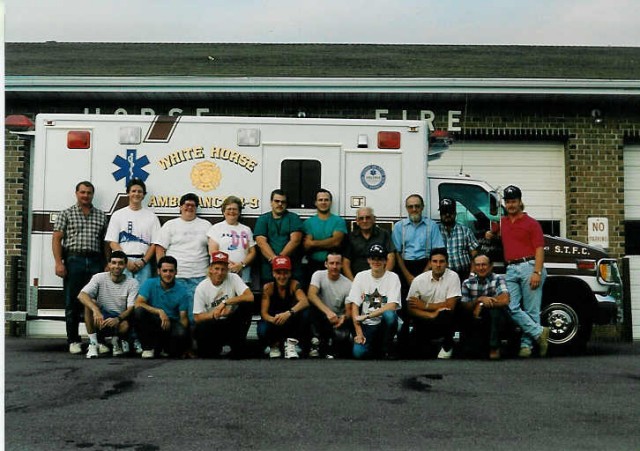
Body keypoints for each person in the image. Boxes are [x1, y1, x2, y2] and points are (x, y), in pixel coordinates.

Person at [489, 185, 549, 358]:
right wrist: (490, 234)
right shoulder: (503, 222)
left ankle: (526, 346)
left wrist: (537, 272)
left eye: (513, 201)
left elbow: (539, 248)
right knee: (510, 306)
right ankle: (539, 333)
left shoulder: (532, 223)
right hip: (511, 269)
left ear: (520, 202)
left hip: (529, 266)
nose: (511, 205)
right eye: (508, 202)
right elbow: (492, 232)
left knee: (531, 309)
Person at [52, 181, 108, 354]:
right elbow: (56, 239)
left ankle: (98, 340)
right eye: (82, 192)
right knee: (72, 302)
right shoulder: (66, 214)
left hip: (95, 261)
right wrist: (59, 262)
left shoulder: (101, 215)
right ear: (76, 193)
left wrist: (107, 261)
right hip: (73, 259)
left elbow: (105, 242)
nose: (85, 195)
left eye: (89, 192)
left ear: (93, 194)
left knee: (97, 301)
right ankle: (74, 340)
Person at [155, 192, 210, 324]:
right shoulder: (170, 225)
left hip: (199, 277)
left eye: (193, 205)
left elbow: (213, 250)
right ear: (180, 207)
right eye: (186, 205)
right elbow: (160, 249)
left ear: (196, 208)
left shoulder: (206, 225)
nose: (189, 208)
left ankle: (192, 343)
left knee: (194, 316)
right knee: (172, 313)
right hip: (174, 278)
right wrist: (162, 272)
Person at [77, 251, 139, 358]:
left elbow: (130, 308)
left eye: (120, 263)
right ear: (109, 264)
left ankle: (116, 341)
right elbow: (81, 295)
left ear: (125, 265)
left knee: (125, 326)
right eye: (114, 263)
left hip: (119, 319)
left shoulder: (132, 283)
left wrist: (118, 319)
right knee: (89, 304)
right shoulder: (99, 277)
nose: (117, 266)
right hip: (101, 317)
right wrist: (96, 310)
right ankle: (93, 343)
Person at [193, 251, 254, 358]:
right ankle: (216, 346)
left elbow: (250, 297)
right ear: (211, 269)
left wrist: (225, 303)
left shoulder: (233, 278)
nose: (220, 272)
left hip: (231, 322)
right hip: (213, 324)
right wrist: (215, 314)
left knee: (247, 306)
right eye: (216, 269)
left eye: (223, 269)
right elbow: (197, 317)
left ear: (227, 269)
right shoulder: (201, 287)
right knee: (206, 353)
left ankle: (238, 343)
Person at [347, 244, 401, 359]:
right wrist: (359, 333)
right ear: (368, 260)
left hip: (383, 324)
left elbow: (392, 305)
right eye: (373, 258)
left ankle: (387, 347)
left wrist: (367, 315)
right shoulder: (360, 276)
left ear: (386, 260)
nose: (376, 262)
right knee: (358, 353)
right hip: (367, 326)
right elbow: (355, 306)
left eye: (380, 258)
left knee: (390, 316)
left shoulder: (393, 277)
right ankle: (374, 348)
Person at [405, 248, 460, 359]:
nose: (438, 265)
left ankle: (447, 345)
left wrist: (425, 305)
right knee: (414, 352)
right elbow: (410, 308)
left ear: (447, 263)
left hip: (444, 318)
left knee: (448, 313)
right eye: (435, 261)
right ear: (430, 263)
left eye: (442, 261)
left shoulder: (453, 277)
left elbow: (450, 305)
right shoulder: (419, 280)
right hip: (424, 318)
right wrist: (431, 314)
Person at [105, 178, 160, 286]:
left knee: (142, 297)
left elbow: (155, 243)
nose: (136, 194)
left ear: (144, 195)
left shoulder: (152, 217)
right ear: (128, 193)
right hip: (121, 263)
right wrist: (126, 261)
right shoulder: (118, 215)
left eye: (139, 191)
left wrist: (143, 261)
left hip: (143, 263)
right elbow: (112, 242)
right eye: (133, 191)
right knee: (120, 295)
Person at [134, 256, 190, 358]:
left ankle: (163, 347)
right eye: (164, 271)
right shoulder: (149, 283)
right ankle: (148, 348)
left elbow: (183, 319)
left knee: (181, 334)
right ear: (159, 271)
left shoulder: (182, 291)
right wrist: (159, 311)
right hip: (154, 321)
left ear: (176, 272)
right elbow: (138, 303)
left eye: (171, 271)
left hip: (170, 324)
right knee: (139, 312)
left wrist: (182, 338)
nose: (168, 274)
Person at [392, 194, 445, 297]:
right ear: (407, 208)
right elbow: (396, 253)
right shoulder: (399, 226)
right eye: (410, 207)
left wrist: (423, 275)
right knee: (405, 299)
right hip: (405, 266)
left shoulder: (432, 226)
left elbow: (437, 252)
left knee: (426, 296)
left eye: (417, 206)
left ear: (422, 207)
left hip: (426, 265)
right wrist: (407, 275)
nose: (414, 209)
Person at [459, 253, 510, 360]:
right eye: (478, 265)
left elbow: (505, 300)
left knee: (495, 311)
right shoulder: (467, 282)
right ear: (474, 266)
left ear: (491, 266)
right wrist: (479, 299)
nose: (481, 268)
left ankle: (494, 347)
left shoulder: (498, 278)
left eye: (484, 265)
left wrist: (482, 305)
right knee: (471, 353)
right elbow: (465, 305)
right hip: (476, 318)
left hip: (496, 318)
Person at [257, 256, 310, 359]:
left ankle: (291, 344)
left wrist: (288, 313)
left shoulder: (294, 284)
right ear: (273, 273)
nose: (282, 276)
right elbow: (264, 313)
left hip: (291, 322)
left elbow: (305, 302)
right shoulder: (268, 288)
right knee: (262, 328)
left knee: (305, 313)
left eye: (285, 273)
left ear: (290, 273)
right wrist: (274, 319)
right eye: (278, 273)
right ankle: (274, 345)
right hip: (275, 322)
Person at [307, 252, 353, 358]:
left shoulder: (348, 284)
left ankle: (330, 345)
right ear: (325, 264)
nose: (334, 266)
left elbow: (349, 311)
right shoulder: (318, 275)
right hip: (322, 315)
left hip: (337, 320)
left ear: (342, 265)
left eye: (338, 263)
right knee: (309, 310)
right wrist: (328, 312)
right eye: (331, 263)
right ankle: (315, 342)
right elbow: (311, 295)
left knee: (343, 344)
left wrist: (343, 317)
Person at [254, 189, 304, 284]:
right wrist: (275, 260)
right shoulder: (263, 219)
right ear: (271, 202)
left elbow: (295, 240)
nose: (280, 204)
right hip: (269, 268)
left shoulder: (293, 218)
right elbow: (261, 242)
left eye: (283, 202)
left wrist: (280, 259)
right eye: (277, 201)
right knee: (268, 295)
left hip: (292, 267)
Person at [206, 195, 256, 287]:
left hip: (243, 274)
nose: (232, 211)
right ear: (223, 211)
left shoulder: (246, 229)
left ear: (239, 212)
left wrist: (241, 265)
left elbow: (252, 252)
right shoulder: (216, 228)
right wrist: (229, 265)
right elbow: (213, 251)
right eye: (229, 209)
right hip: (221, 273)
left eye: (235, 209)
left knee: (241, 299)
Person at [302, 188, 347, 285]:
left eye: (326, 200)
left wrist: (314, 243)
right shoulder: (308, 223)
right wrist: (329, 242)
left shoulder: (339, 221)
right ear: (315, 202)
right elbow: (307, 246)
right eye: (320, 200)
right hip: (313, 265)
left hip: (334, 266)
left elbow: (336, 242)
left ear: (330, 202)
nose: (323, 202)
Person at [343, 207, 395, 281]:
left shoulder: (384, 234)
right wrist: (353, 282)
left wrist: (384, 278)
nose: (364, 221)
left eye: (368, 218)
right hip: (358, 279)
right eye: (361, 218)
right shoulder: (351, 237)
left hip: (380, 278)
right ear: (357, 221)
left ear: (374, 219)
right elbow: (345, 262)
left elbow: (391, 257)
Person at [437, 198, 479, 282]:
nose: (447, 214)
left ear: (455, 213)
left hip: (463, 275)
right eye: (444, 212)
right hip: (441, 275)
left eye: (450, 211)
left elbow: (475, 255)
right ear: (440, 214)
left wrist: (471, 275)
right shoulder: (434, 231)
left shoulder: (465, 230)